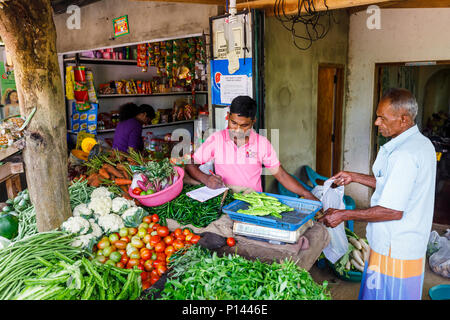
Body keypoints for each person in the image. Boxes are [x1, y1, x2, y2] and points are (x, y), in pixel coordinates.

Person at [319, 88, 436, 300]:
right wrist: (354, 176)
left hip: (396, 248)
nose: (376, 123)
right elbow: (394, 185)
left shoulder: (405, 155)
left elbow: (392, 211)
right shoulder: (421, 144)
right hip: (403, 244)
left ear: (403, 119)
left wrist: (342, 215)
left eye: (382, 118)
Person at [185, 95, 317, 201]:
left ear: (253, 122)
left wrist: (306, 193)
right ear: (228, 117)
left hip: (253, 203)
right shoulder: (216, 139)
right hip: (225, 201)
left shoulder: (262, 144)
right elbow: (190, 165)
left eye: (244, 126)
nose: (237, 130)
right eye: (233, 123)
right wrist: (206, 179)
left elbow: (281, 174)